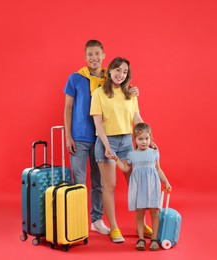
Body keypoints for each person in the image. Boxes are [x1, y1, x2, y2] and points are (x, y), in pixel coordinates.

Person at [64, 40, 142, 235]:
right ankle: (77, 219)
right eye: (90, 54)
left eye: (97, 54)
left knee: (99, 183)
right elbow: (68, 107)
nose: (94, 58)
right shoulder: (75, 78)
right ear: (85, 57)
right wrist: (68, 136)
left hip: (102, 137)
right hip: (81, 136)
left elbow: (123, 91)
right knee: (79, 180)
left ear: (104, 55)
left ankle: (96, 219)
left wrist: (132, 90)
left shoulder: (111, 78)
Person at [90, 56, 150, 243]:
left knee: (136, 182)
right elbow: (98, 123)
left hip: (126, 141)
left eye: (124, 72)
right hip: (106, 141)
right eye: (118, 70)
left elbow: (137, 117)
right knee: (109, 186)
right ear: (110, 71)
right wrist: (107, 146)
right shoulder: (99, 93)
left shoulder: (130, 94)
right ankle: (114, 228)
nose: (121, 74)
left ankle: (143, 224)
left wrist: (149, 138)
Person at [111, 122, 172, 250]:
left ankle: (154, 239)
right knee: (140, 213)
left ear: (150, 138)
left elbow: (158, 169)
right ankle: (141, 239)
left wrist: (166, 182)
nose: (144, 142)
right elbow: (125, 168)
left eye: (146, 138)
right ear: (135, 140)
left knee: (155, 212)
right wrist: (116, 159)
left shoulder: (154, 152)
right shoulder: (132, 155)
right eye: (140, 139)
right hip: (138, 188)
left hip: (152, 186)